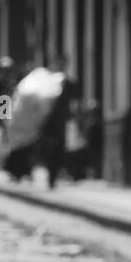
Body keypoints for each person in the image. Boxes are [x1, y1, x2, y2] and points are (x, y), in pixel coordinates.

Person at [38, 56, 79, 189]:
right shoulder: (49, 83)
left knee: (62, 150)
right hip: (50, 124)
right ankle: (52, 176)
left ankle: (59, 174)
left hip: (62, 123)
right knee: (52, 151)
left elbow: (74, 102)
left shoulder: (67, 83)